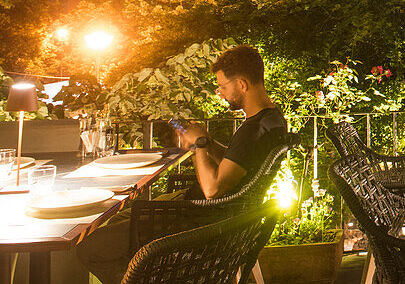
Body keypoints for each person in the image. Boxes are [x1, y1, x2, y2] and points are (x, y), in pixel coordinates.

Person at [76, 44, 288, 284]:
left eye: (222, 85)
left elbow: (213, 189)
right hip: (218, 217)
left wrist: (199, 145)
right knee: (117, 220)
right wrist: (207, 140)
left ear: (241, 84)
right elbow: (239, 162)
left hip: (199, 220)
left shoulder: (252, 130)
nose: (219, 92)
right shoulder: (272, 120)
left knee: (89, 248)